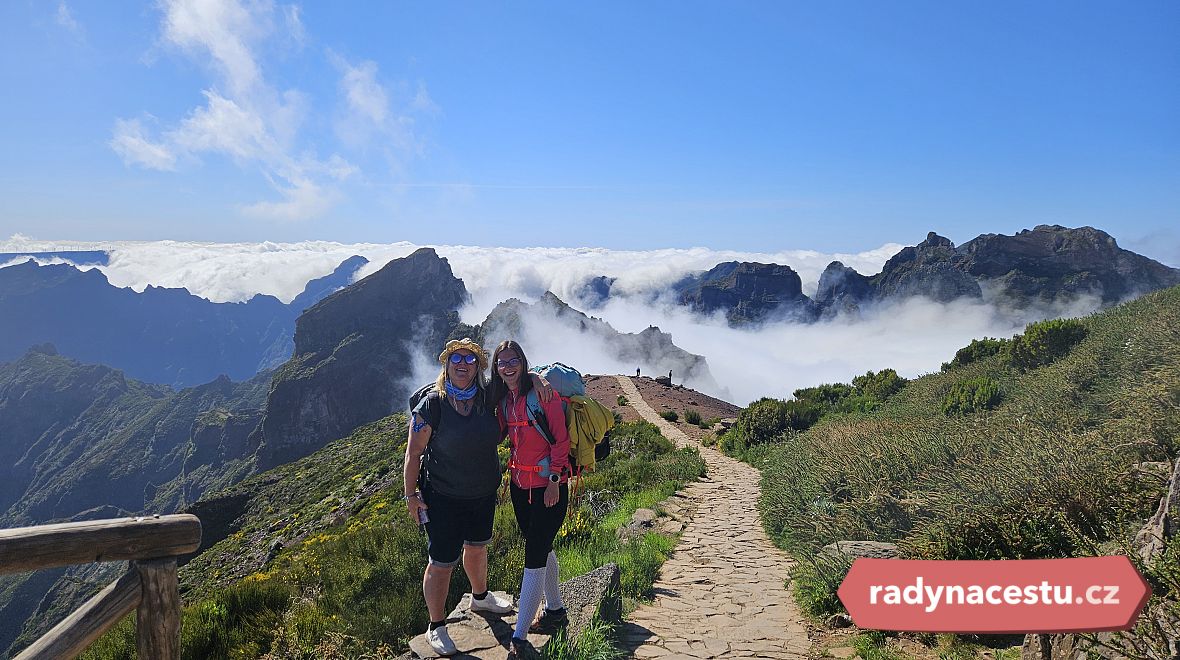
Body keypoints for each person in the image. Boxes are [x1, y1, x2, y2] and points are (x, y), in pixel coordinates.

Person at [403, 338, 514, 656]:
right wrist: (411, 495)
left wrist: (540, 380)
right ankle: (436, 625)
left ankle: (481, 598)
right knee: (441, 563)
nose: (462, 364)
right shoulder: (432, 405)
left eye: (469, 359)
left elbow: (516, 377)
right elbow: (413, 453)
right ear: (447, 365)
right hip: (443, 497)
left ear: (478, 366)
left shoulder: (486, 396)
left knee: (478, 549)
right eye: (456, 359)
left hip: (482, 493)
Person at [487, 340, 571, 658]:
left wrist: (554, 481)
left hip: (549, 486)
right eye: (502, 362)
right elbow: (498, 435)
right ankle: (556, 610)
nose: (508, 367)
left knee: (533, 554)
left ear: (523, 362)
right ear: (497, 368)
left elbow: (561, 441)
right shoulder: (504, 401)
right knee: (542, 546)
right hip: (521, 488)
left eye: (513, 361)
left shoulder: (543, 394)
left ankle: (520, 638)